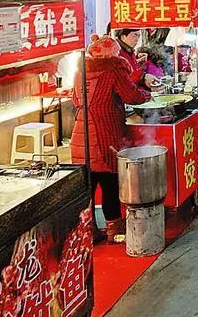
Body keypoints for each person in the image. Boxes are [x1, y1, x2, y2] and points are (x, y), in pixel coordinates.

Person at [71, 34, 152, 242]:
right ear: (114, 53)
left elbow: (75, 99)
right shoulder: (114, 69)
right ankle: (113, 231)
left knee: (88, 187)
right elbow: (131, 96)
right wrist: (147, 94)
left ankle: (88, 232)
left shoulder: (81, 70)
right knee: (110, 183)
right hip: (103, 132)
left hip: (80, 135)